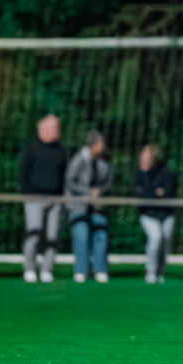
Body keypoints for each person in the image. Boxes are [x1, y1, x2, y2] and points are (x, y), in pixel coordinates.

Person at [18, 114, 65, 283]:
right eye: (54, 127)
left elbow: (63, 173)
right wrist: (27, 193)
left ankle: (47, 269)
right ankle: (29, 268)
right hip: (34, 198)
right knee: (33, 233)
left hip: (55, 199)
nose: (57, 131)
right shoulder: (32, 148)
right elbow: (24, 173)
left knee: (52, 235)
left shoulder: (60, 150)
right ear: (43, 129)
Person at [65, 131, 111, 283]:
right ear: (94, 144)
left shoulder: (104, 161)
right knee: (81, 236)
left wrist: (99, 192)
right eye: (101, 143)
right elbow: (70, 181)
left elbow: (108, 183)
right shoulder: (78, 160)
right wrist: (86, 193)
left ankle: (100, 270)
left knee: (101, 236)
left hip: (97, 206)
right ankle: (80, 271)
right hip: (79, 206)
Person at [134, 144, 178, 284]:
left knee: (165, 241)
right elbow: (138, 193)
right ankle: (150, 271)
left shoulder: (165, 172)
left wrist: (160, 193)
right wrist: (155, 193)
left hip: (166, 213)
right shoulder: (138, 174)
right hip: (148, 213)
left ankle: (160, 271)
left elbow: (170, 190)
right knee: (155, 237)